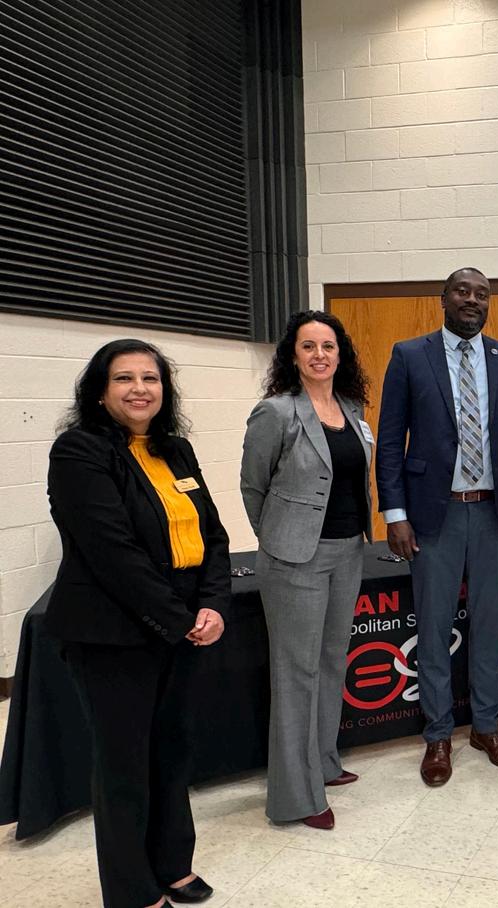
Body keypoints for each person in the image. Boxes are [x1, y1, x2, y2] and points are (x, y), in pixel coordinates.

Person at [46, 339, 230, 908]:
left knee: (172, 751)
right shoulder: (79, 451)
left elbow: (213, 534)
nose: (139, 389)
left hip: (182, 623)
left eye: (150, 378)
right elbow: (113, 552)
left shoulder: (176, 450)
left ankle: (172, 865)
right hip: (113, 631)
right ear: (100, 392)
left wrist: (214, 604)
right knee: (124, 764)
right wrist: (180, 619)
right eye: (124, 378)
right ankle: (131, 891)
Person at [376, 267, 498, 787]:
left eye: (482, 294)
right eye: (462, 292)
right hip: (433, 515)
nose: (472, 300)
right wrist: (395, 514)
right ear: (443, 299)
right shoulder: (409, 355)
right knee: (434, 626)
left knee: (491, 624)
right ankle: (438, 734)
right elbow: (389, 441)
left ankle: (487, 727)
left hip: (494, 514)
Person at [240, 311, 373, 830]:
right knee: (297, 673)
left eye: (328, 346)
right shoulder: (276, 412)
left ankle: (323, 763)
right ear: (292, 356)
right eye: (308, 346)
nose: (320, 355)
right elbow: (253, 486)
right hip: (294, 559)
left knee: (332, 663)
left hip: (348, 551)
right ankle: (296, 797)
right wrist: (278, 538)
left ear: (341, 355)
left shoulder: (352, 409)